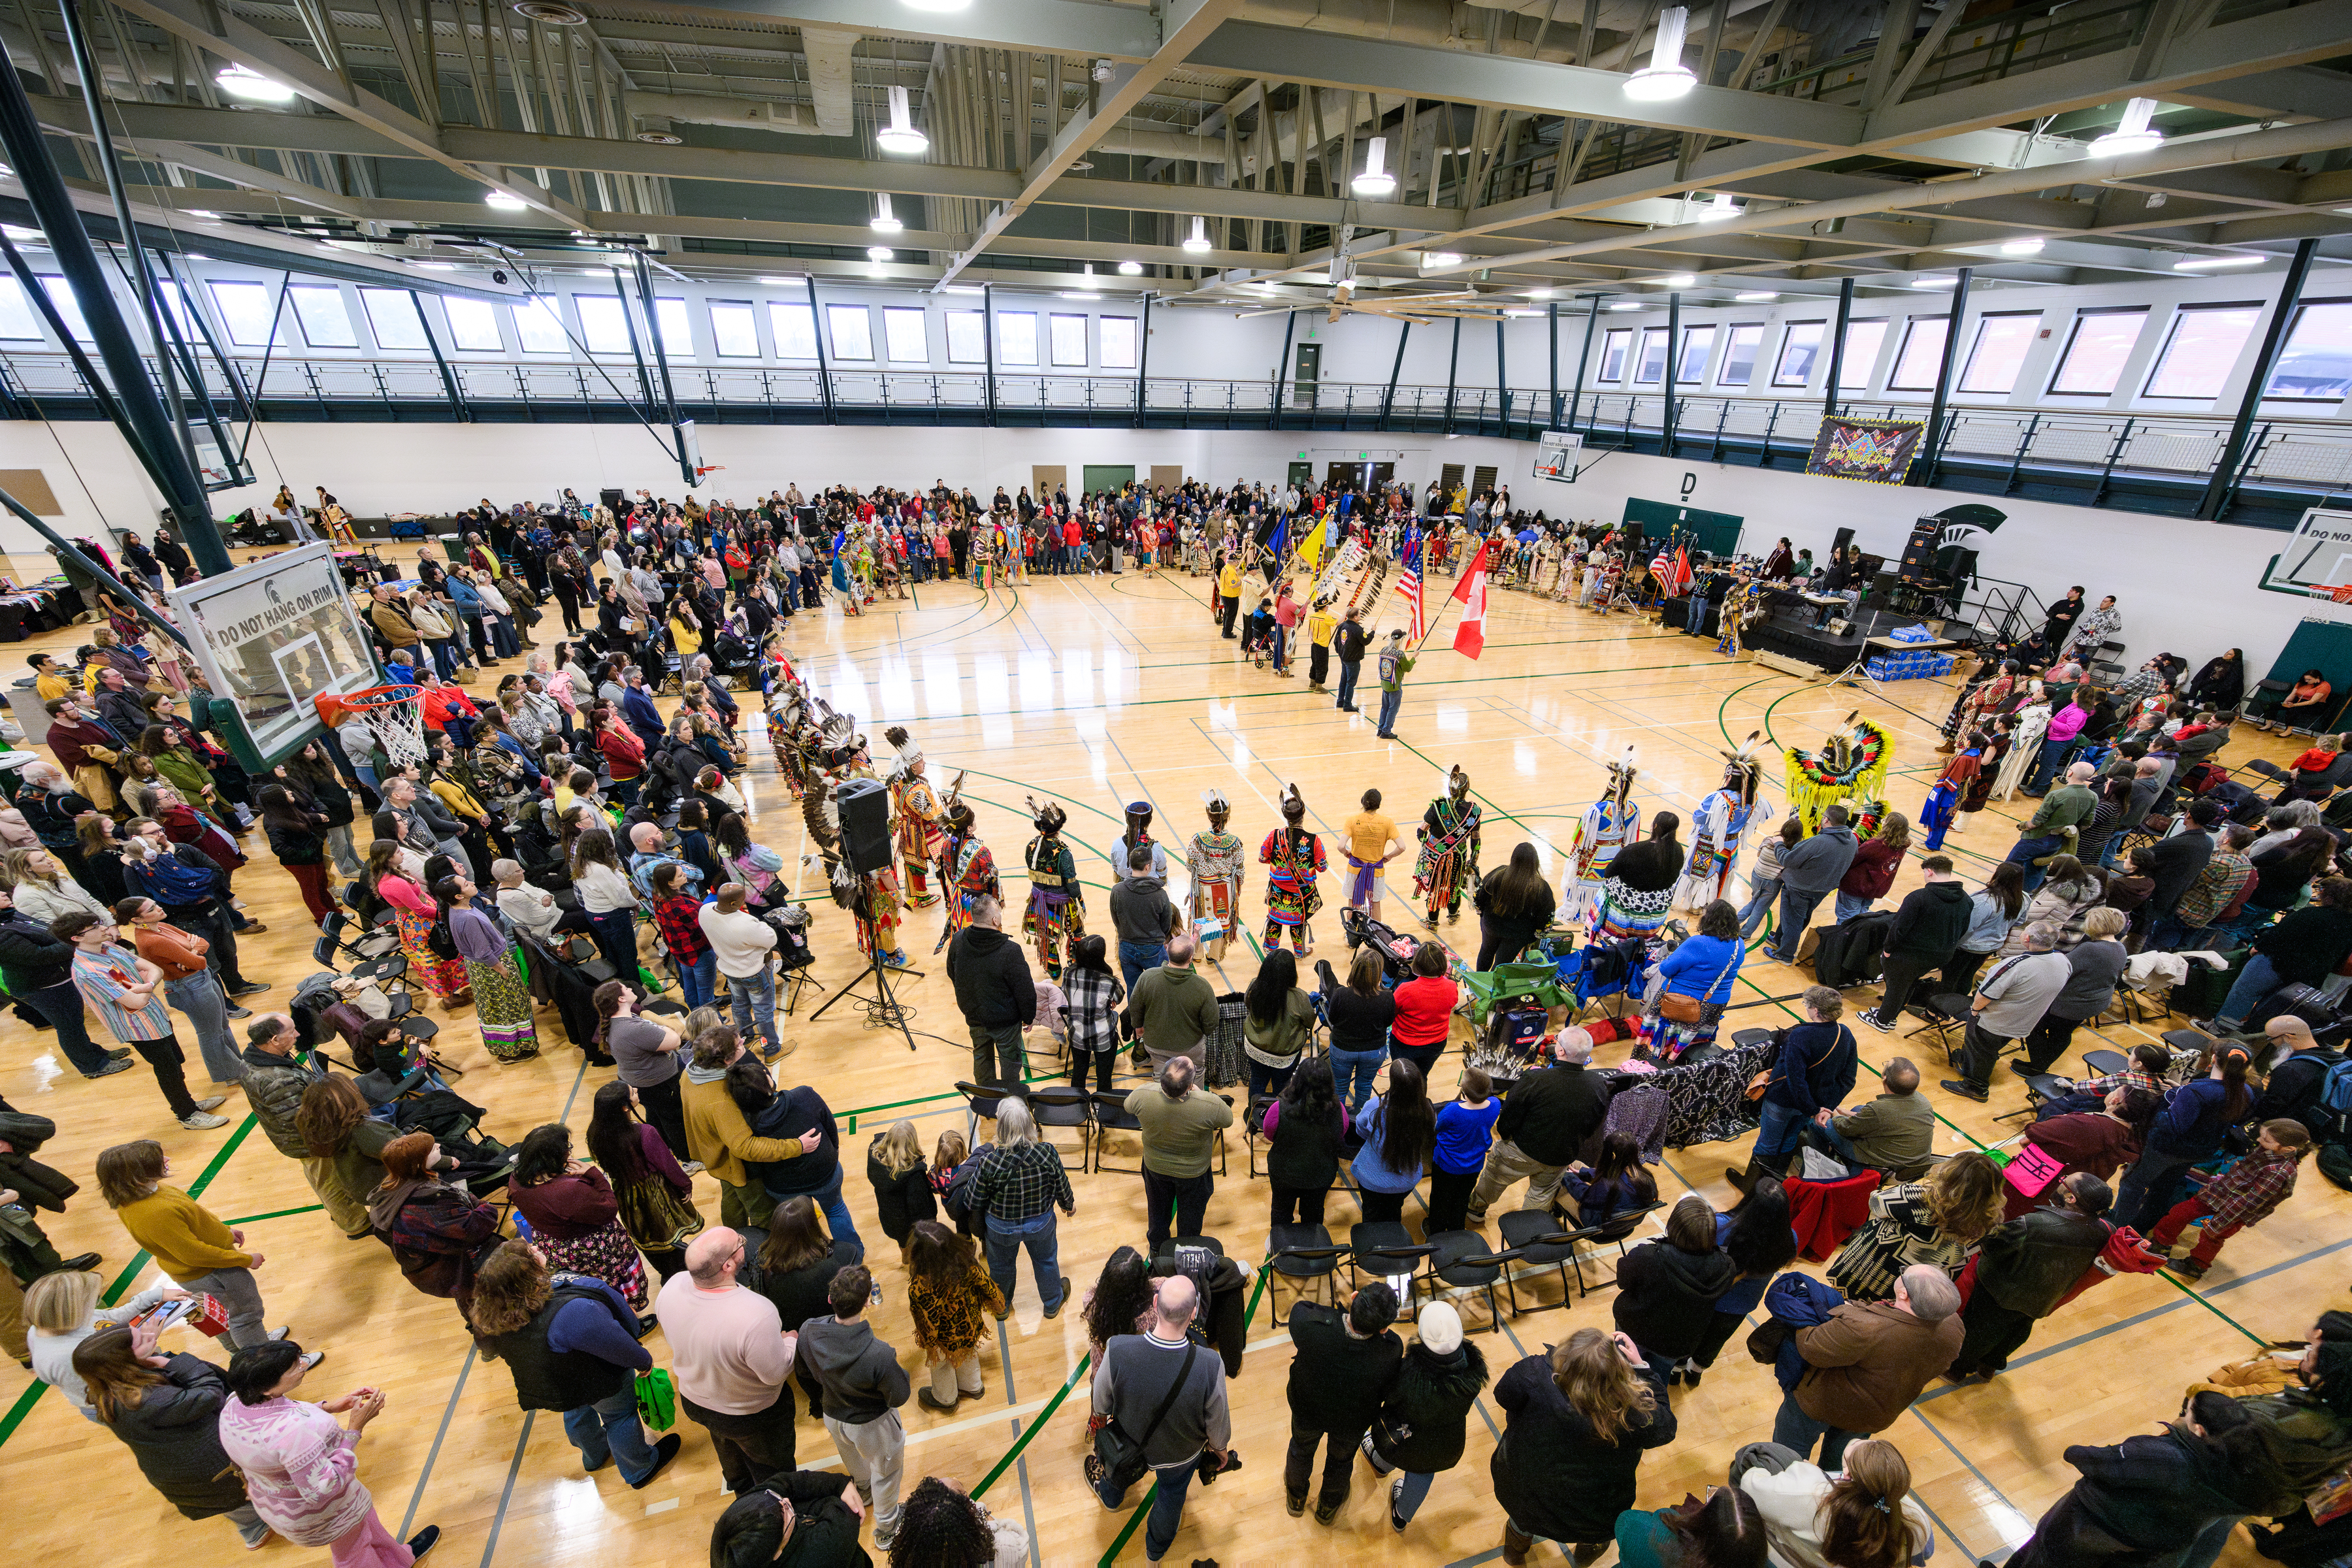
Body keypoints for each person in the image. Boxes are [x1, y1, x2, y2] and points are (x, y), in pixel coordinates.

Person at [467, 1239, 680, 1488]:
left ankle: (595, 1456)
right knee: (620, 1416)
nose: (536, 1248)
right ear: (526, 1276)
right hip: (597, 1379)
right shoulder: (572, 1312)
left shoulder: (496, 1313)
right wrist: (644, 1362)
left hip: (554, 1383)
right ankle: (640, 1468)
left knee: (577, 1414)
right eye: (530, 1253)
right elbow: (618, 1343)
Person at [216, 1339, 440, 1568]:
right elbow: (324, 1487)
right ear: (268, 1388)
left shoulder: (236, 1403)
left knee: (367, 1525)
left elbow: (282, 1418)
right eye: (295, 1366)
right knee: (353, 1554)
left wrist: (327, 1407)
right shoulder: (294, 1433)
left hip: (278, 1503)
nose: (304, 1365)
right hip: (323, 1513)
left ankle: (398, 1561)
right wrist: (355, 1429)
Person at [2003, 1392, 2273, 1568]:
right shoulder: (2237, 1472)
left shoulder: (2161, 1456)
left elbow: (2078, 1456)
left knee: (2038, 1559)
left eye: (2186, 1412)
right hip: (2142, 1554)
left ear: (2198, 1429)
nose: (2180, 1415)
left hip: (2085, 1536)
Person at [73, 1320, 273, 1545]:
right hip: (209, 1469)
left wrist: (153, 1356)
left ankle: (252, 1525)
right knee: (240, 1500)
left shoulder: (110, 1388)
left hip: (182, 1471)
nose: (150, 1337)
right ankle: (256, 1529)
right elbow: (209, 1394)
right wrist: (175, 1362)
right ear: (125, 1361)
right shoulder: (146, 1401)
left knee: (230, 1502)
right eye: (142, 1340)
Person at [1491, 1326, 1678, 1567]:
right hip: (1594, 1512)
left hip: (1524, 1490)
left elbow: (1503, 1396)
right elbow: (1665, 1430)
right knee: (1594, 1539)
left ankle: (1514, 1555)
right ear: (1617, 1370)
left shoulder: (1533, 1373)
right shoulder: (1632, 1412)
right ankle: (1582, 1563)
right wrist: (1642, 1369)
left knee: (1522, 1521)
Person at [96, 1139, 296, 1352]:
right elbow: (195, 1254)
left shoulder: (146, 1194)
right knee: (245, 1315)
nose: (167, 1159)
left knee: (224, 1319)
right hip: (213, 1271)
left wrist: (224, 1231)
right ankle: (265, 1361)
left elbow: (193, 1220)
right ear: (138, 1175)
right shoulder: (154, 1212)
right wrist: (246, 1260)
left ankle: (247, 1350)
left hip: (203, 1271)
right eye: (158, 1159)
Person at [1086, 1275, 1232, 1566]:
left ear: (1155, 1303)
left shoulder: (1117, 1349)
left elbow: (1100, 1404)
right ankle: (1154, 1552)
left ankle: (1111, 1499)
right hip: (1180, 1455)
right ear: (1194, 1313)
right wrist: (1220, 1449)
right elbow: (1217, 1421)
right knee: (1171, 1496)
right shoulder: (1210, 1364)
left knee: (1117, 1473)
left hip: (1127, 1445)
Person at [657, 1227, 802, 1493]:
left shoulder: (672, 1286)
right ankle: (775, 1508)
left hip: (696, 1401)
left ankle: (742, 1492)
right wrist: (790, 1340)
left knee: (729, 1452)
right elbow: (775, 1374)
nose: (744, 1244)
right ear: (728, 1265)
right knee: (773, 1472)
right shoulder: (757, 1313)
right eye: (740, 1243)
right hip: (750, 1414)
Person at [1776, 1265, 1963, 1466]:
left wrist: (1805, 1318)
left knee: (1787, 1457)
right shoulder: (1953, 1326)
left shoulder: (1866, 1328)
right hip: (1875, 1413)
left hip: (1821, 1404)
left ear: (1903, 1294)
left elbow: (1812, 1346)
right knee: (1839, 1465)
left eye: (1903, 1271)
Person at [59, 909, 227, 1129]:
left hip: (155, 1016)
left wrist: (145, 986)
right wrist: (147, 986)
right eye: (94, 927)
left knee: (176, 1062)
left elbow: (153, 969)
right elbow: (136, 1003)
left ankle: (189, 1103)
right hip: (138, 1027)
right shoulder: (88, 971)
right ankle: (186, 1115)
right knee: (167, 1069)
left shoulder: (108, 948)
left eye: (99, 922)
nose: (103, 928)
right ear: (77, 938)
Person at [1946, 1172, 2115, 1380]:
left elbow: (1992, 1244)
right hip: (2047, 1296)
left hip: (2000, 1291)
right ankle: (1990, 1366)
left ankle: (1956, 1370)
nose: (2059, 1183)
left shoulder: (2033, 1224)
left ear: (2071, 1199)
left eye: (2064, 1183)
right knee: (2017, 1332)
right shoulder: (2106, 1231)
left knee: (1979, 1332)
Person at [800, 1262, 912, 1552]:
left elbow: (807, 1370)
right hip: (871, 1425)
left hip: (833, 1414)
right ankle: (887, 1528)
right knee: (886, 1471)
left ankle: (863, 1489)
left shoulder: (809, 1331)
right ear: (866, 1303)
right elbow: (899, 1396)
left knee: (852, 1457)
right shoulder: (879, 1353)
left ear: (830, 1300)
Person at [1356, 1299, 1488, 1533]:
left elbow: (1389, 1399)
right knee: (1422, 1474)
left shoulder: (1408, 1375)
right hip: (1445, 1445)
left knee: (1396, 1446)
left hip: (1405, 1435)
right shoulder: (1473, 1374)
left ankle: (1379, 1462)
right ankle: (1401, 1517)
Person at [1282, 1282, 1405, 1524]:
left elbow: (1300, 1308)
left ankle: (1296, 1498)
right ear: (1384, 1329)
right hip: (1352, 1421)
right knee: (1340, 1461)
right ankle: (1328, 1506)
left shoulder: (1310, 1326)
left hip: (1308, 1409)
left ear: (1354, 1296)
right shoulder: (1391, 1349)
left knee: (1301, 1449)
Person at [682, 1027, 822, 1232]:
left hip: (717, 1155)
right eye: (740, 1044)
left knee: (732, 1200)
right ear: (727, 1061)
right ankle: (766, 1251)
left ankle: (733, 1240)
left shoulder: (690, 1073)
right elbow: (744, 1147)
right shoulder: (722, 1098)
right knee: (765, 1214)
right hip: (739, 1163)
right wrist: (798, 1146)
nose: (744, 1044)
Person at [1467, 1030, 1610, 1224]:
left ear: (1560, 1051)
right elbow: (1593, 1125)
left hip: (1521, 1150)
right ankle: (1529, 1231)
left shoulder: (1535, 1079)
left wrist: (1506, 1137)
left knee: (1494, 1178)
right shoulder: (1599, 1084)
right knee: (1541, 1196)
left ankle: (1476, 1210)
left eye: (1557, 1040)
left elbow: (1510, 1113)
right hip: (1561, 1156)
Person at [507, 1122, 649, 1313]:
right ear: (553, 1157)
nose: (569, 1152)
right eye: (566, 1148)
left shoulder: (516, 1179)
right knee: (610, 1287)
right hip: (591, 1249)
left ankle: (603, 1316)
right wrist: (594, 1174)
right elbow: (609, 1208)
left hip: (555, 1246)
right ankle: (625, 1318)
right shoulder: (568, 1190)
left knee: (584, 1291)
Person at [2145, 1117, 2310, 1281]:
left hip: (2237, 1211)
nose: (2259, 1140)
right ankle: (2161, 1244)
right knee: (2181, 1212)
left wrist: (2219, 1223)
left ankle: (2195, 1266)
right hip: (2223, 1193)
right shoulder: (2269, 1150)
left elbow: (2250, 1202)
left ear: (2288, 1149)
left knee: (2211, 1236)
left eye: (2266, 1139)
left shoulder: (2278, 1173)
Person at [1734, 1437, 1935, 1568]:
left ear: (1846, 1474)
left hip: (1796, 1560)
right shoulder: (1915, 1519)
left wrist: (1811, 1475)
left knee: (1752, 1458)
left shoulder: (1807, 1495)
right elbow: (1926, 1549)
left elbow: (1751, 1486)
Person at [2114, 1043, 2254, 1232]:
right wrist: (2180, 1093)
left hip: (2165, 1149)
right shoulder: (2246, 1091)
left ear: (2213, 1059)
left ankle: (2117, 1228)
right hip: (2200, 1151)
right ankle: (2140, 1229)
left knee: (2133, 1184)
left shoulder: (2197, 1092)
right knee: (2163, 1189)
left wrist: (2152, 1107)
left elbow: (2173, 1126)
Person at [25, 1269, 184, 1420]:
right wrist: (140, 1353)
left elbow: (110, 1317)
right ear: (69, 1310)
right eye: (90, 1301)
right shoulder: (64, 1357)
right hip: (120, 1403)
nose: (94, 1306)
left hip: (138, 1370)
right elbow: (108, 1387)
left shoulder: (64, 1321)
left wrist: (153, 1296)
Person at [1941, 922, 2072, 1104]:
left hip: (1995, 1021)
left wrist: (1975, 1011)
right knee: (1988, 1048)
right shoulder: (2063, 960)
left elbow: (1985, 995)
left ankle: (1975, 1087)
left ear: (2026, 938)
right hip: (2025, 1022)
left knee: (1981, 1048)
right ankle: (1967, 1061)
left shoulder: (2014, 965)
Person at [585, 1079, 701, 1282]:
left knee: (649, 1239)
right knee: (668, 1237)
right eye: (632, 1092)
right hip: (654, 1193)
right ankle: (679, 1277)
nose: (637, 1090)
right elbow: (667, 1164)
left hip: (624, 1194)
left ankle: (668, 1274)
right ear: (624, 1107)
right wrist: (685, 1184)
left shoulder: (595, 1134)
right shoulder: (644, 1133)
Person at [1742, 986, 1859, 1189]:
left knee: (1767, 1143)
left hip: (1784, 1101)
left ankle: (1752, 1189)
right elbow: (1848, 1078)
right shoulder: (1845, 1033)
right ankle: (1774, 1185)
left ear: (1815, 1010)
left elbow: (1795, 1080)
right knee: (1788, 1140)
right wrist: (1824, 1108)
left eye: (1807, 1004)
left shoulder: (1801, 1035)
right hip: (1814, 1105)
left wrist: (1814, 1109)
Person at [968, 1100, 1075, 1318]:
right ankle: (1053, 1303)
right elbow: (1061, 1184)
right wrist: (1068, 1205)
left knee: (1000, 1268)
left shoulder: (989, 1162)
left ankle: (1001, 1307)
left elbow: (972, 1200)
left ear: (1001, 1127)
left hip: (1000, 1228)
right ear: (1030, 1124)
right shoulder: (1047, 1153)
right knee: (1046, 1261)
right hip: (1041, 1224)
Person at [1613, 1194, 1737, 1374]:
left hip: (1635, 1328)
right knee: (1657, 1378)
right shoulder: (1726, 1267)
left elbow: (1623, 1281)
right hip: (1678, 1342)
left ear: (1673, 1226)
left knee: (1620, 1374)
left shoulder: (1647, 1256)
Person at [1124, 1055, 1233, 1252]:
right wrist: (1200, 1094)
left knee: (1158, 1214)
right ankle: (1186, 1253)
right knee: (1191, 1221)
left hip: (1155, 1168)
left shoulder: (1142, 1094)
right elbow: (1228, 1119)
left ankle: (1157, 1251)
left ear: (1161, 1079)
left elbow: (1127, 1106)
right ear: (1190, 1085)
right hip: (1194, 1174)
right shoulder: (1209, 1104)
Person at [1855, 857, 1972, 1032]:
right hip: (1939, 956)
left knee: (1896, 987)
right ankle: (1891, 1015)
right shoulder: (1966, 900)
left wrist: (1887, 950)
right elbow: (1963, 930)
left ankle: (1882, 1021)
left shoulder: (1918, 897)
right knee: (1909, 983)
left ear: (1930, 871)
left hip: (1909, 955)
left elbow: (1898, 928)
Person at [905, 1220, 1003, 1413]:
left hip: (943, 1339)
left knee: (941, 1366)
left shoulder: (920, 1286)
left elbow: (927, 1322)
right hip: (970, 1326)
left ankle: (946, 1398)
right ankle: (974, 1387)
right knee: (969, 1352)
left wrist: (930, 1344)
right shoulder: (966, 1261)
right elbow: (988, 1286)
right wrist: (998, 1304)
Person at [2019, 907, 2131, 1073]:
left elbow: (2062, 969)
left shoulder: (2091, 949)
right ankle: (2040, 1064)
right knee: (2062, 1033)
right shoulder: (2120, 947)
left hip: (2074, 1003)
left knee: (2034, 1025)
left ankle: (2038, 1065)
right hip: (2095, 1001)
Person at [944, 893, 1034, 1087]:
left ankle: (986, 1097)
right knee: (1010, 1061)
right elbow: (1025, 991)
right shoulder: (1010, 951)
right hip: (1005, 1022)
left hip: (974, 1015)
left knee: (981, 1057)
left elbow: (952, 972)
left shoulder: (959, 939)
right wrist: (1029, 1017)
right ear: (995, 920)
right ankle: (1010, 1098)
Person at [596, 980, 689, 1158]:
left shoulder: (619, 1021)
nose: (630, 988)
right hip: (659, 1084)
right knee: (674, 1120)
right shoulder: (633, 1029)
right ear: (621, 999)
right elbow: (675, 1040)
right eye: (625, 988)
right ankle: (687, 1160)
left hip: (641, 1083)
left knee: (656, 1115)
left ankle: (664, 1149)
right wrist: (665, 1028)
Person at [1646, 898, 1745, 1061]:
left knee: (1662, 1041)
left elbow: (1665, 969)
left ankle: (1659, 1063)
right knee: (1696, 1044)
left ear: (1708, 920)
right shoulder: (1739, 944)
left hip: (1680, 1002)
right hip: (1714, 1003)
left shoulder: (1697, 943)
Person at [1263, 1056, 1352, 1227]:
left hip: (1284, 1174)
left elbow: (1269, 1134)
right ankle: (1311, 1250)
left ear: (1297, 1080)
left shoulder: (1278, 1108)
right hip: (1320, 1176)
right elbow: (1341, 1132)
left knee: (1281, 1213)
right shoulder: (1339, 1110)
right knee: (1314, 1214)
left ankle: (1281, 1246)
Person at [701, 883, 785, 1058]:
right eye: (742, 900)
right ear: (733, 904)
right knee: (763, 1010)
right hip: (753, 972)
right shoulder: (745, 923)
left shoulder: (706, 910)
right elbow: (770, 940)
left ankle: (744, 1039)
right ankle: (772, 1049)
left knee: (739, 1005)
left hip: (729, 970)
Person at [1121, 933, 1221, 1075]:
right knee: (1195, 1075)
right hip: (1190, 1047)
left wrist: (1139, 1029)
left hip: (1155, 1045)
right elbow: (1211, 1023)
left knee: (1161, 1076)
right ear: (1191, 958)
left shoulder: (1147, 977)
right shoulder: (1202, 986)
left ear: (1167, 951)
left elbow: (1135, 1008)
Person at [1352, 1058, 1437, 1222]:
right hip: (1407, 1181)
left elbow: (1360, 1129)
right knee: (1394, 1209)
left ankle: (1372, 1244)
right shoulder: (1428, 1111)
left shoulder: (1375, 1106)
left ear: (1393, 1083)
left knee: (1370, 1212)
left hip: (1372, 1181)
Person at [1819, 1058, 1935, 1177]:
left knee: (1825, 1124)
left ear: (1884, 1078)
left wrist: (1834, 1114)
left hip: (1887, 1167)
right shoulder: (1923, 1101)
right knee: (1859, 1108)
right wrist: (1845, 1112)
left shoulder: (1878, 1110)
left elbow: (1844, 1128)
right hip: (1915, 1165)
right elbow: (1884, 1119)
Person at [1774, 807, 1859, 964]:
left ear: (1826, 820)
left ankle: (1785, 955)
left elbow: (1787, 860)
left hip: (1800, 888)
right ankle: (1780, 939)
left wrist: (1778, 844)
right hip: (1821, 889)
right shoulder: (1853, 840)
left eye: (1823, 816)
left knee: (1793, 920)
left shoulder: (1818, 842)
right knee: (1802, 917)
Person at [1316, 945, 1397, 1112]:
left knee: (1339, 1086)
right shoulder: (1388, 997)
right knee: (1365, 1085)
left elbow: (1332, 1019)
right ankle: (1359, 1117)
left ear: (1355, 970)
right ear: (1378, 974)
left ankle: (1339, 1118)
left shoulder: (1340, 994)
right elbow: (1388, 1022)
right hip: (1374, 1052)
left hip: (1342, 1049)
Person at [1241, 947, 1315, 1096]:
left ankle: (1253, 1116)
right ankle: (1277, 1117)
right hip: (1285, 1056)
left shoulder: (1255, 986)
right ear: (1291, 973)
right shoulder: (1299, 997)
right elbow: (1310, 1023)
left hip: (1255, 1048)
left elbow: (1248, 1005)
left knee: (1257, 1082)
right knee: (1281, 1089)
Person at [1474, 841, 1558, 970]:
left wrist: (1481, 913)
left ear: (1513, 858)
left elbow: (1478, 896)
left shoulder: (1498, 873)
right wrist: (1539, 933)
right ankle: (1491, 988)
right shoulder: (1541, 887)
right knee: (1502, 963)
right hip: (1518, 934)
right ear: (1535, 862)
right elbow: (1547, 916)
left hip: (1491, 924)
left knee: (1486, 951)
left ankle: (1477, 983)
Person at [1109, 844, 1179, 998]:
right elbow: (1166, 925)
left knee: (1134, 991)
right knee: (1162, 989)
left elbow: (1116, 920)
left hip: (1126, 947)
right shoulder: (1160, 895)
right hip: (1153, 948)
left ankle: (1136, 1022)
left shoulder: (1117, 891)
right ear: (1148, 867)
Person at [1560, 1130, 1661, 1227]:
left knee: (1558, 1187)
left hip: (1598, 1225)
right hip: (1626, 1224)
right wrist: (1581, 1173)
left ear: (1612, 1156)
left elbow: (1583, 1195)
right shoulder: (1647, 1178)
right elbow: (1611, 1175)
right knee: (1576, 1165)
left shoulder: (1607, 1186)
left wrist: (1565, 1175)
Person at [868, 1120, 939, 1249]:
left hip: (890, 1221)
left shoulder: (875, 1159)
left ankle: (905, 1258)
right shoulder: (914, 1175)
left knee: (904, 1246)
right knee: (918, 1252)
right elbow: (920, 1209)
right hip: (910, 1227)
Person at [1341, 787, 1404, 923]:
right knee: (1375, 904)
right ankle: (1376, 936)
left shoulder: (1352, 820)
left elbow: (1341, 846)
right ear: (1379, 805)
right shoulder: (1387, 822)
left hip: (1354, 870)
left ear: (1363, 802)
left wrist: (1346, 852)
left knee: (1352, 904)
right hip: (1376, 872)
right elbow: (1402, 847)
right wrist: (1390, 856)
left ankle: (1351, 935)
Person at [1835, 813, 1910, 923]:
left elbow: (1853, 859)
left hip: (1856, 887)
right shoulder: (1902, 846)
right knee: (1862, 917)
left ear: (1888, 826)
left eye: (1885, 820)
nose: (1882, 821)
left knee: (1847, 918)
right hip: (1874, 888)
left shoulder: (1877, 844)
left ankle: (1843, 939)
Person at [1374, 629, 1415, 738]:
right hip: (1394, 686)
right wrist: (1414, 658)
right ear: (1400, 640)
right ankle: (1386, 731)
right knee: (1393, 709)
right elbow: (1408, 668)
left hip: (1385, 683)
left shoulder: (1384, 650)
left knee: (1385, 707)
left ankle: (1381, 728)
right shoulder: (1399, 654)